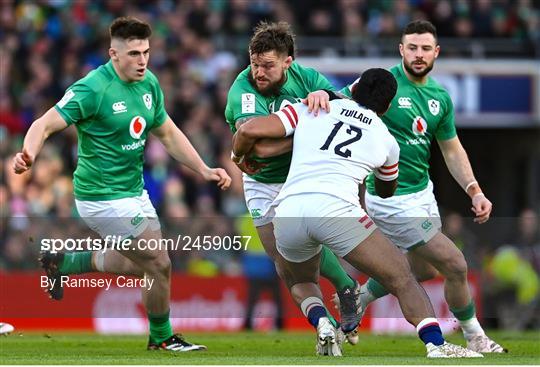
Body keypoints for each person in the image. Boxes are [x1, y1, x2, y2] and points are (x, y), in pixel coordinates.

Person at [12, 16, 231, 352]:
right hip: (99, 197)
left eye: (145, 52)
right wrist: (28, 153)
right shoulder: (92, 88)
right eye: (133, 54)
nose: (142, 61)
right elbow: (44, 124)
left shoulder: (149, 84)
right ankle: (162, 337)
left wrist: (202, 169)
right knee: (159, 262)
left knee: (139, 264)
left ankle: (69, 262)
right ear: (113, 54)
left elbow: (168, 132)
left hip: (134, 191)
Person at [232, 68, 482, 358]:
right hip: (337, 211)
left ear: (355, 88)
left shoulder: (315, 106)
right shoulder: (386, 139)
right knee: (401, 276)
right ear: (387, 106)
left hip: (288, 211)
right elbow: (387, 189)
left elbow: (249, 130)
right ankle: (436, 345)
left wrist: (239, 157)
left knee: (300, 280)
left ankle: (322, 322)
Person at [339, 20, 505, 353]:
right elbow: (339, 103)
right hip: (390, 198)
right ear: (401, 49)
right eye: (412, 47)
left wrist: (474, 189)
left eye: (425, 48)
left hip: (422, 193)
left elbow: (451, 148)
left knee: (424, 268)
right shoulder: (382, 83)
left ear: (436, 52)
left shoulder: (440, 97)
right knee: (455, 263)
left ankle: (359, 298)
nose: (418, 54)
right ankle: (475, 336)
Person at [224, 21, 360, 344]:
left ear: (288, 62)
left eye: (267, 66)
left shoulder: (307, 78)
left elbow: (341, 105)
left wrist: (324, 95)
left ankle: (344, 286)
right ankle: (326, 318)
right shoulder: (242, 90)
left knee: (303, 253)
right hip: (260, 180)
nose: (258, 72)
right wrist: (309, 132)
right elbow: (257, 146)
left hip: (300, 175)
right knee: (283, 262)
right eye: (254, 64)